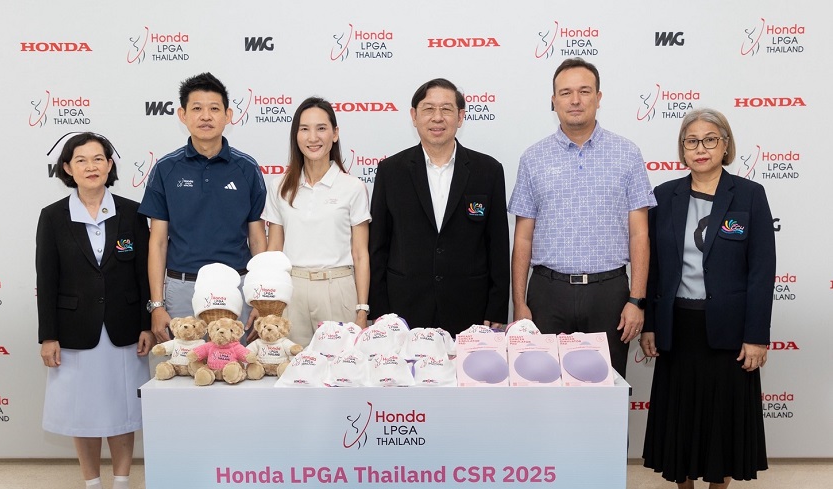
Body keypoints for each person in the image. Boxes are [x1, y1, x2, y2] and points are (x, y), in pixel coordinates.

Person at [639, 108, 775, 489]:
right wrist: (649, 323)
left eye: (710, 139)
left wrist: (756, 336)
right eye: (691, 141)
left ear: (726, 145)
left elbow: (762, 272)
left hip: (730, 331)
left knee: (725, 421)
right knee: (678, 418)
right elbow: (654, 267)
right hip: (678, 326)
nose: (701, 148)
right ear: (682, 149)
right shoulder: (664, 196)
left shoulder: (749, 195)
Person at [36, 132, 154, 489]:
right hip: (74, 332)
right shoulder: (53, 216)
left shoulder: (132, 212)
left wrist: (146, 324)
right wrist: (48, 335)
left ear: (110, 165)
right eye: (81, 160)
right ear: (67, 168)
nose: (91, 166)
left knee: (122, 413)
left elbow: (144, 275)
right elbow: (46, 279)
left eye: (98, 158)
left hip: (124, 329)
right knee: (82, 414)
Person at [510, 59, 655, 378]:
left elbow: (639, 234)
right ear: (553, 101)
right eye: (565, 92)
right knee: (543, 390)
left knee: (606, 393)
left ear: (599, 98)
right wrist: (519, 304)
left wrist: (637, 300)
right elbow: (522, 237)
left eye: (584, 91)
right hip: (548, 294)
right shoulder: (533, 158)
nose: (575, 100)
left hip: (609, 295)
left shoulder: (627, 153)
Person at [369, 78, 509, 335]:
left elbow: (498, 245)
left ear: (460, 117)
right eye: (428, 109)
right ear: (414, 116)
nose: (437, 117)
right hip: (404, 309)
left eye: (446, 109)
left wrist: (497, 307)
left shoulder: (488, 171)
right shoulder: (391, 171)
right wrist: (380, 310)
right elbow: (378, 245)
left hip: (470, 309)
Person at [139, 72, 267, 343]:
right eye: (197, 108)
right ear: (182, 115)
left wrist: (260, 298)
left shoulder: (247, 168)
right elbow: (158, 242)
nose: (206, 116)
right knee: (183, 366)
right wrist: (157, 305)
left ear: (228, 115)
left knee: (236, 364)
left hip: (237, 288)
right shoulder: (165, 168)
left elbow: (257, 238)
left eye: (214, 109)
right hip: (183, 289)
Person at [262, 97, 371, 346]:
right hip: (291, 291)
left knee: (340, 366)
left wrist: (362, 309)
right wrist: (269, 299)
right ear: (296, 135)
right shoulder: (279, 186)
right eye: (304, 129)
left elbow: (360, 254)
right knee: (290, 364)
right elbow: (274, 250)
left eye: (321, 128)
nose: (313, 137)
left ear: (335, 134)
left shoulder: (353, 187)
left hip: (338, 288)